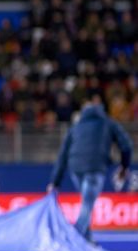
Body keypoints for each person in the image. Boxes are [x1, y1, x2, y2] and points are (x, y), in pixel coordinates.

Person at [47, 95, 132, 242]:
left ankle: (87, 239)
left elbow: (63, 155)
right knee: (87, 203)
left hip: (75, 169)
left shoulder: (76, 127)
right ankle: (76, 237)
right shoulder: (108, 123)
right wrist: (124, 167)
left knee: (86, 201)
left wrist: (55, 182)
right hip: (95, 168)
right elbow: (126, 146)